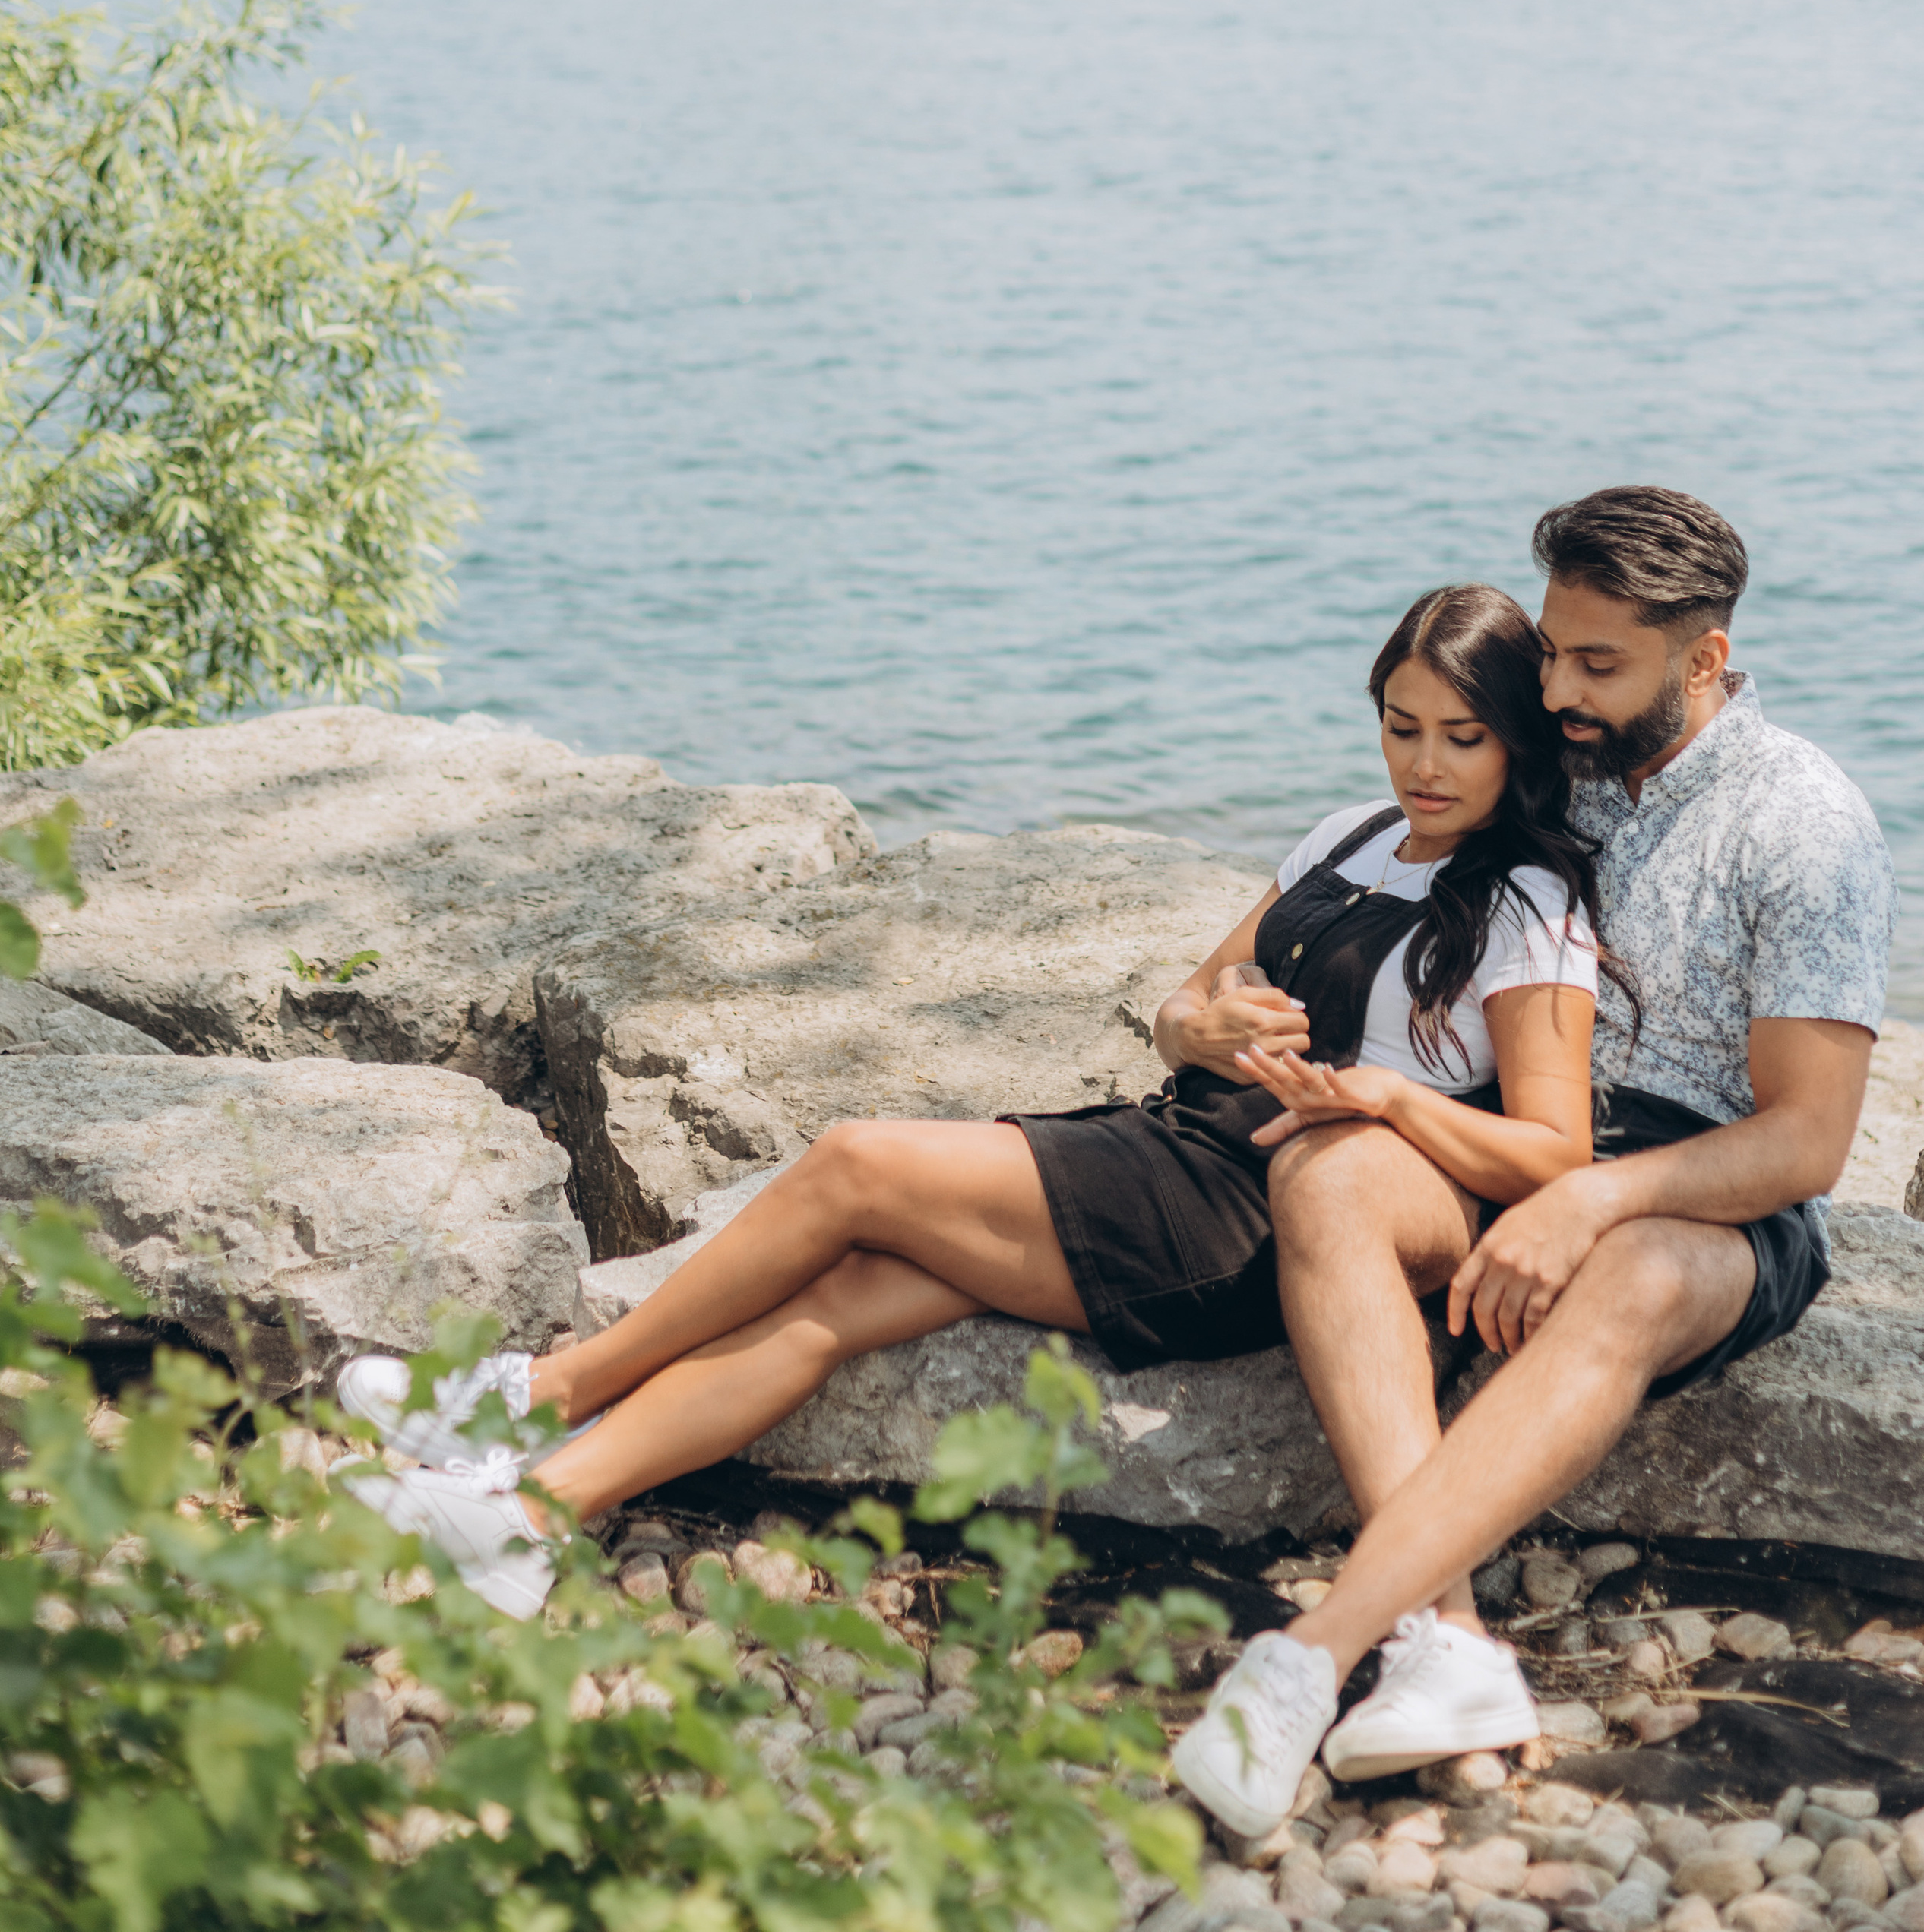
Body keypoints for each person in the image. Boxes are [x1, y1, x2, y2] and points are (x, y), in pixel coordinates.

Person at [334, 581, 1605, 1633]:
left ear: (1517, 741)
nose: (1424, 764)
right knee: (838, 1300)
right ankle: (533, 1515)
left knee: (855, 1168)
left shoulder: (1530, 909)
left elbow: (1553, 1152)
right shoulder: (1348, 836)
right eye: (1401, 726)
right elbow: (1188, 995)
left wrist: (1387, 1096)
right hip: (1172, 1139)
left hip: (1249, 1218)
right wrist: (1199, 1022)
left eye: (1461, 737)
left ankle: (543, 1393)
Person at [1169, 486, 1897, 1837]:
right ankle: (1447, 1646)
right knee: (1326, 1168)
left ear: (1707, 661)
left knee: (1623, 1280)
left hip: (1712, 1195)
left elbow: (1809, 1139)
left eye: (1596, 663)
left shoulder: (1806, 824)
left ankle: (1315, 1655)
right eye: (1554, 649)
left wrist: (1596, 1197)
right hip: (1523, 1144)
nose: (1555, 687)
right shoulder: (1560, 763)